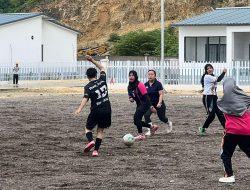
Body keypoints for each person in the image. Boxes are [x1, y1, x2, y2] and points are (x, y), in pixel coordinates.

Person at [74, 55, 111, 157]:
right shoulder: (102, 80)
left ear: (87, 76)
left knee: (88, 128)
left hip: (96, 110)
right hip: (107, 109)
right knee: (100, 130)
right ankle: (95, 151)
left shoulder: (88, 87)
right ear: (96, 74)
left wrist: (79, 109)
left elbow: (85, 98)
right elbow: (103, 68)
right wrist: (92, 60)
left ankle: (91, 141)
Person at [217, 78, 250, 183]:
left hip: (232, 131)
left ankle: (229, 175)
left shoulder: (221, 101)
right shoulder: (245, 98)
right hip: (246, 130)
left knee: (225, 153)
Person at [127, 70, 158, 140]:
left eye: (132, 75)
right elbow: (130, 94)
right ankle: (152, 127)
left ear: (135, 77)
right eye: (130, 75)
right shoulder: (129, 86)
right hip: (139, 104)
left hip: (145, 104)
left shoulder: (140, 84)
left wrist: (151, 106)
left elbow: (146, 97)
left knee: (136, 118)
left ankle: (141, 135)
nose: (131, 77)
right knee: (136, 121)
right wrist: (130, 98)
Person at [198, 64, 227, 135]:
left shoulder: (212, 76)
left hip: (214, 97)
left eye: (211, 68)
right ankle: (202, 128)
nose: (210, 69)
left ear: (213, 69)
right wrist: (224, 72)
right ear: (206, 71)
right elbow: (219, 79)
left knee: (220, 113)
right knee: (211, 115)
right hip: (208, 97)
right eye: (208, 69)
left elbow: (210, 86)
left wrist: (204, 88)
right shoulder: (207, 76)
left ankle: (227, 129)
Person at [144, 69, 172, 136]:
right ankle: (150, 130)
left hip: (159, 104)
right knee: (146, 115)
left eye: (152, 74)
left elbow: (161, 94)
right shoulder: (145, 84)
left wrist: (159, 103)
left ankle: (169, 123)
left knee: (162, 118)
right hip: (150, 105)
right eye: (149, 74)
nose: (150, 76)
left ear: (155, 75)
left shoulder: (158, 84)